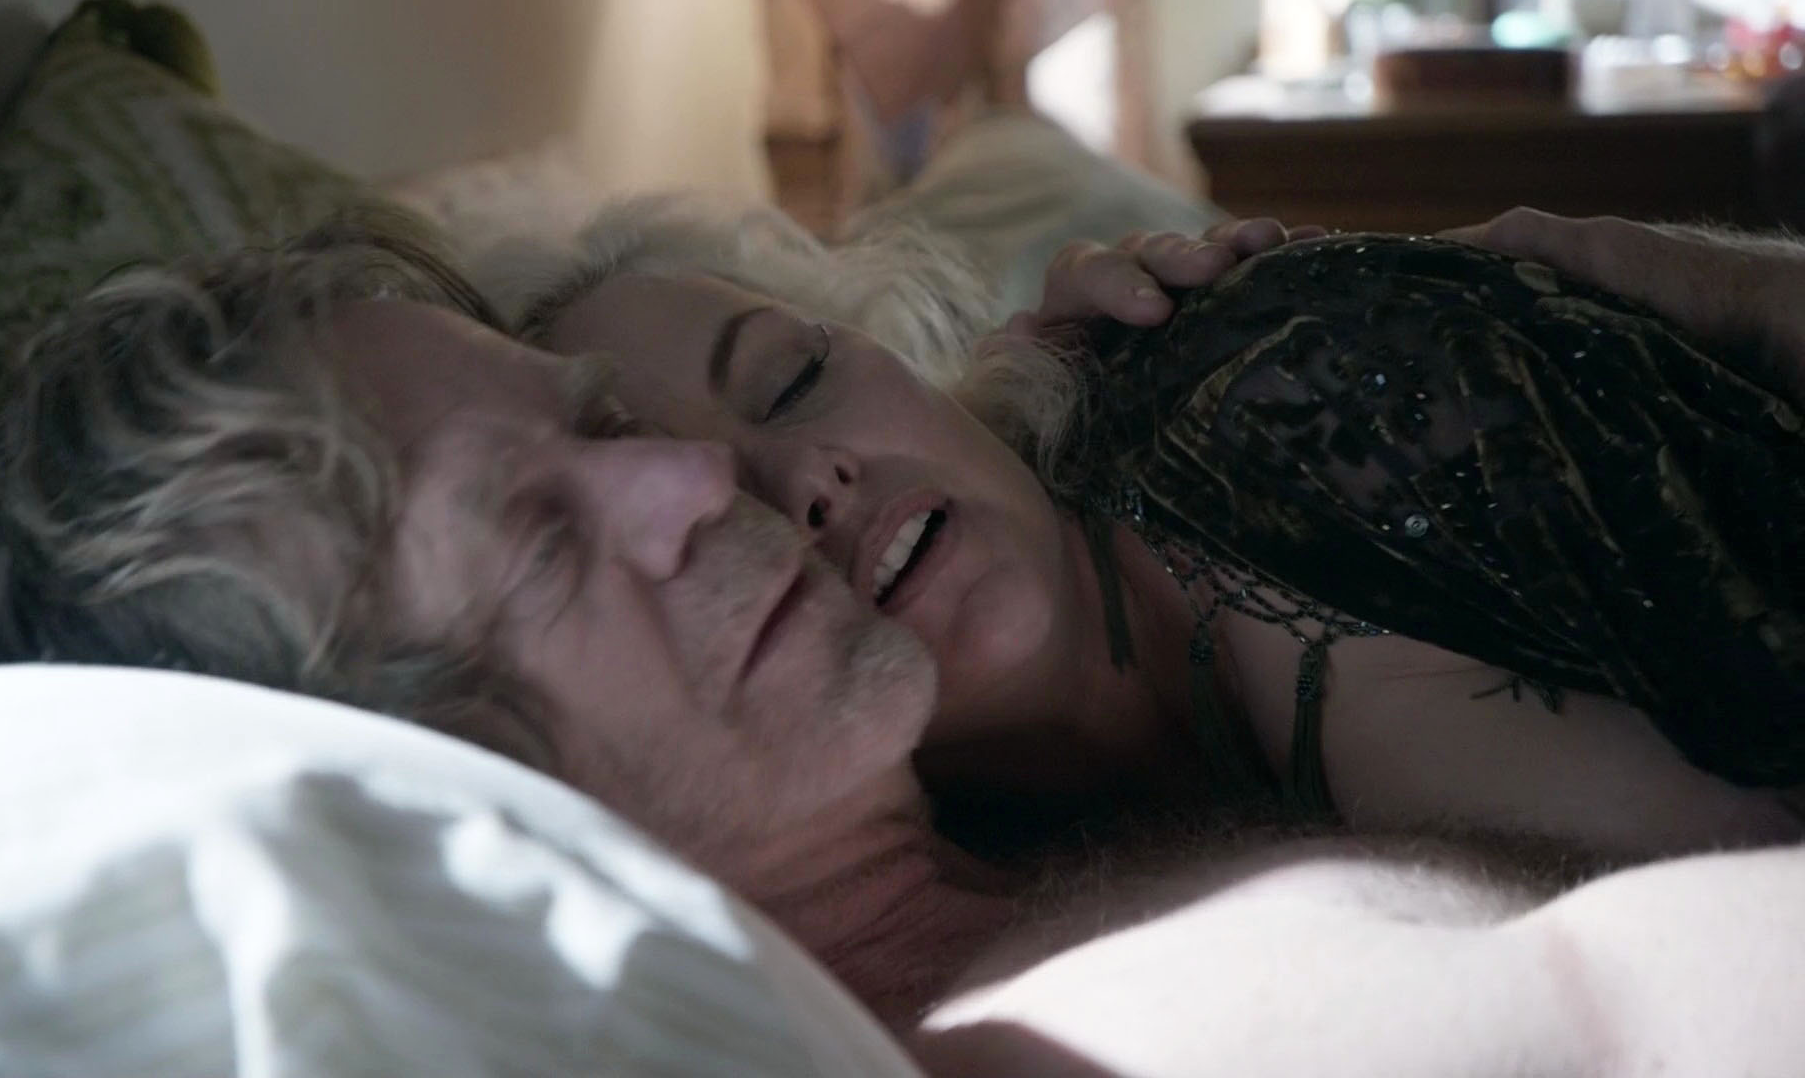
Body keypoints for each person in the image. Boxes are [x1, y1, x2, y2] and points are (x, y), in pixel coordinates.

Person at [0, 218, 1805, 1076]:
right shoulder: (1047, 1043)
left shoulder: (1083, 740)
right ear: (417, 770)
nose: (701, 487)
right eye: (539, 539)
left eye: (603, 426)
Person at [489, 199, 1805, 863]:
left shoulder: (1290, 378)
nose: (806, 481)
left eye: (791, 379)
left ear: (909, 358)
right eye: (721, 511)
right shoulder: (949, 907)